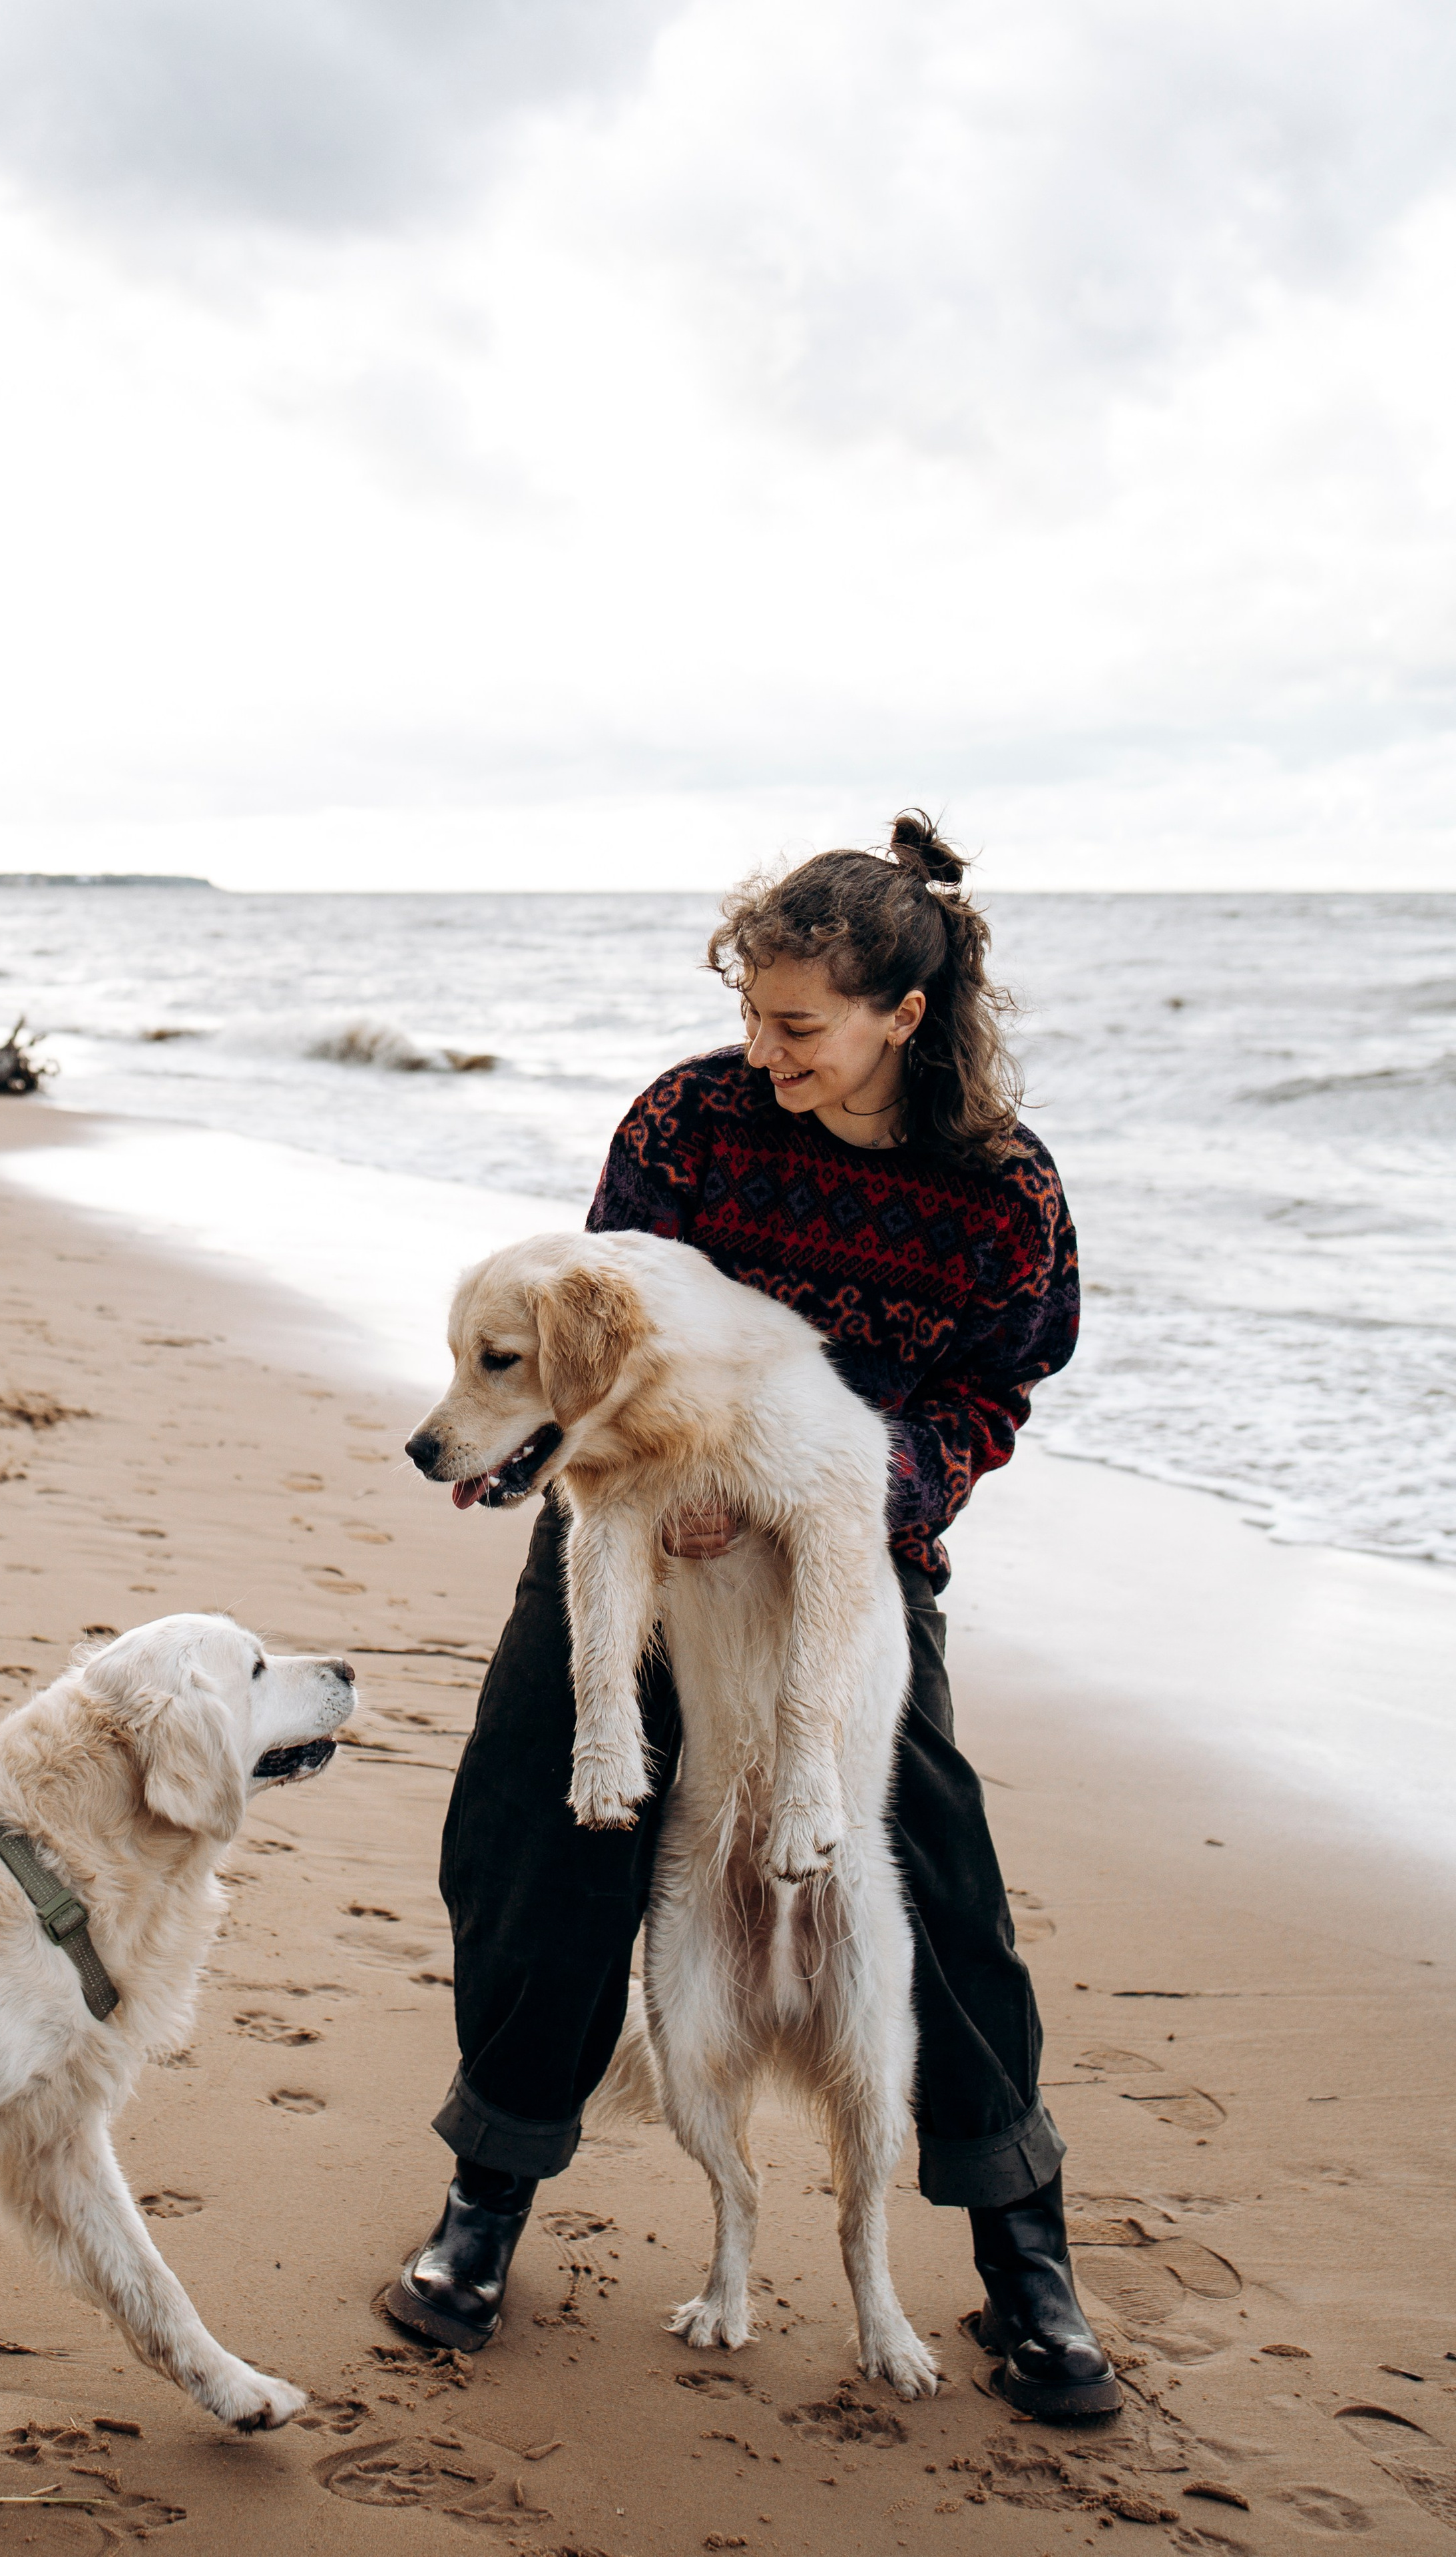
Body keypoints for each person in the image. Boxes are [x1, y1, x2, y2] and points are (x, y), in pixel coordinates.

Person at [386, 812, 1119, 2420]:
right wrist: (636, 1489)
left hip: (838, 1530)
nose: (762, 1053)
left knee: (923, 1848)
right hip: (636, 1511)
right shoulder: (689, 1121)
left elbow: (993, 1392)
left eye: (797, 1025)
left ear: (899, 1017)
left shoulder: (1000, 1192)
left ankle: (1022, 2253)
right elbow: (587, 1344)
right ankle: (488, 2191)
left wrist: (858, 1492)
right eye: (750, 1016)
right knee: (529, 1821)